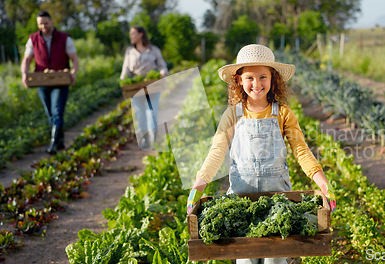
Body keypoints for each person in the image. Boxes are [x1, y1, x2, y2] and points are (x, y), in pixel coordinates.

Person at [186, 44, 336, 264]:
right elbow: (217, 150)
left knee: (275, 258)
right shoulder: (233, 115)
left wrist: (322, 182)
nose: (257, 84)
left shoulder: (283, 113)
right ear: (238, 80)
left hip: (278, 200)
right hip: (240, 199)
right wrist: (199, 185)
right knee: (246, 258)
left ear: (273, 79)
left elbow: (301, 150)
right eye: (250, 78)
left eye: (263, 77)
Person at [21, 11, 79, 154]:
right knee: (50, 113)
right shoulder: (33, 39)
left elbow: (74, 60)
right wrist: (24, 74)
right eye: (40, 24)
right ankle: (60, 143)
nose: (43, 26)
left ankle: (53, 145)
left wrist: (73, 73)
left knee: (57, 111)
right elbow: (27, 60)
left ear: (51, 22)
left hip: (60, 81)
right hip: (42, 82)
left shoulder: (64, 38)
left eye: (46, 23)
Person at [120, 26, 168, 150]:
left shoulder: (153, 50)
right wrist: (123, 83)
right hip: (136, 86)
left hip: (152, 84)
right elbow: (125, 70)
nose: (131, 36)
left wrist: (162, 73)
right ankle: (143, 140)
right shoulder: (130, 52)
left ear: (141, 34)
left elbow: (162, 65)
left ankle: (153, 141)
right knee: (140, 113)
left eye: (133, 34)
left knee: (151, 112)